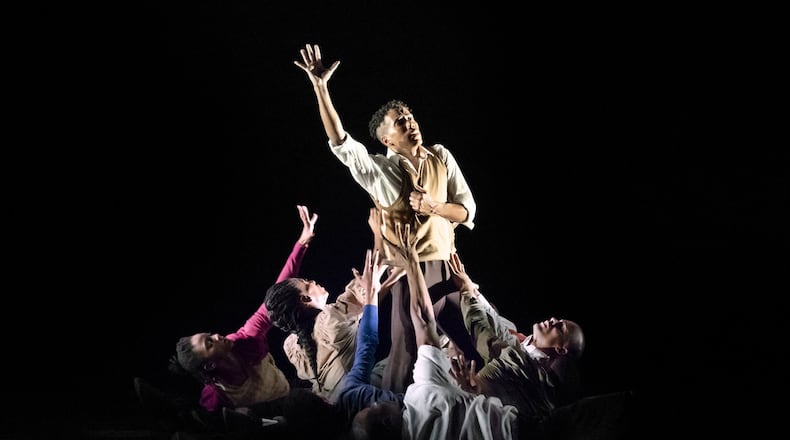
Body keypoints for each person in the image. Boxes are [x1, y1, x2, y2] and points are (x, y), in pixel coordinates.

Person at [294, 43, 480, 393]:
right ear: (387, 139)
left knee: (474, 340)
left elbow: (466, 211)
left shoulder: (440, 156)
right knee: (408, 353)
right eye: (400, 121)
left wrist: (433, 207)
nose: (410, 122)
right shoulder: (383, 172)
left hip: (449, 265)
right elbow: (341, 143)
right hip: (411, 272)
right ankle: (385, 413)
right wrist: (321, 88)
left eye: (410, 116)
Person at [351, 224, 520, 440]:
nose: (375, 402)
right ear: (385, 422)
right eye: (373, 408)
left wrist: (466, 395)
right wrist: (411, 261)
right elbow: (423, 319)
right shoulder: (423, 396)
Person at [169, 205, 318, 414]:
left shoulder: (246, 339)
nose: (217, 336)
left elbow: (277, 295)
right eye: (210, 343)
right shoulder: (217, 395)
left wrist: (302, 243)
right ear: (210, 365)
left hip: (287, 397)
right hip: (266, 421)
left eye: (210, 335)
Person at [262, 209, 402, 401]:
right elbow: (372, 276)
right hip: (361, 399)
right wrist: (379, 232)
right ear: (305, 299)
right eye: (307, 283)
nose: (313, 281)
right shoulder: (330, 319)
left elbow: (369, 301)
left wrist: (392, 280)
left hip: (335, 405)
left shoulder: (291, 345)